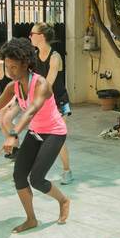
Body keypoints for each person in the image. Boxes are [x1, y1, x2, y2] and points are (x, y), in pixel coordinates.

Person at [0, 37, 70, 233]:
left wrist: (13, 134)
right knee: (19, 176)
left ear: (26, 64)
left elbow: (31, 110)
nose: (10, 71)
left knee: (37, 179)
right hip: (36, 131)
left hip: (54, 132)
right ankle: (31, 219)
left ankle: (63, 200)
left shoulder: (41, 84)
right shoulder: (13, 86)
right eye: (8, 67)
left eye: (14, 67)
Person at [30, 23, 74, 184]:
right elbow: (29, 80)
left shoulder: (55, 57)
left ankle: (67, 171)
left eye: (32, 33)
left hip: (59, 101)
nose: (30, 36)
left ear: (41, 36)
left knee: (57, 137)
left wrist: (36, 101)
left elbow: (47, 85)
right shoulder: (34, 56)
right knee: (36, 136)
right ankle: (32, 169)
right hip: (42, 101)